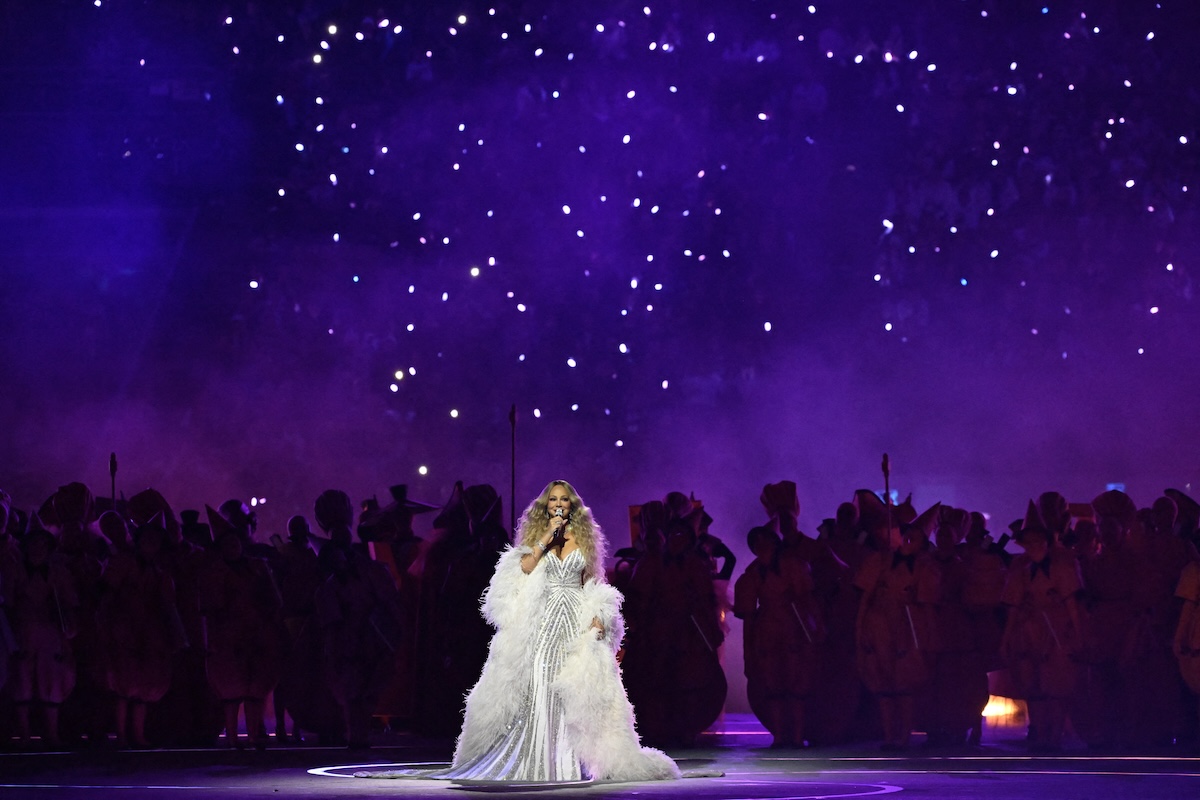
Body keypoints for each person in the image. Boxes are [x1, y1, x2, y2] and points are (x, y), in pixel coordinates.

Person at [360, 480, 678, 782]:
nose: (558, 504)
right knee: (541, 680)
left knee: (573, 686)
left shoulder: (584, 540)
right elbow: (523, 569)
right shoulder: (536, 540)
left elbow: (592, 582)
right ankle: (539, 757)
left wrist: (599, 614)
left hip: (574, 618)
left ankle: (569, 759)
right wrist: (546, 538)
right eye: (553, 499)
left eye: (563, 499)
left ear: (572, 505)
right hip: (543, 619)